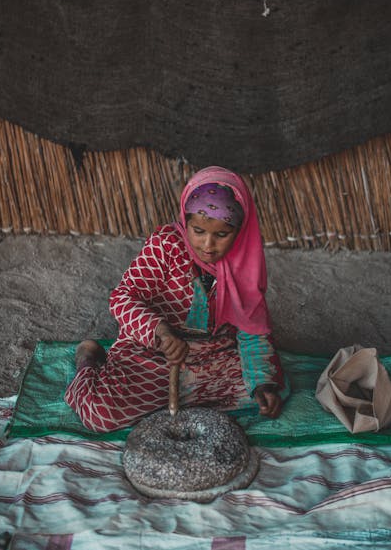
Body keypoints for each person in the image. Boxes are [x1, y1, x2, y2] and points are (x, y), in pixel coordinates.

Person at [65, 166, 289, 432]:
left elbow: (252, 330)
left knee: (271, 392)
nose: (208, 245)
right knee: (100, 414)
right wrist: (161, 332)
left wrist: (262, 384)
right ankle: (89, 358)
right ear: (185, 219)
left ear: (239, 230)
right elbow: (123, 298)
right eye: (198, 230)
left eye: (221, 234)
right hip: (154, 352)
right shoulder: (165, 246)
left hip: (213, 355)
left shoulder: (244, 263)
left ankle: (178, 394)